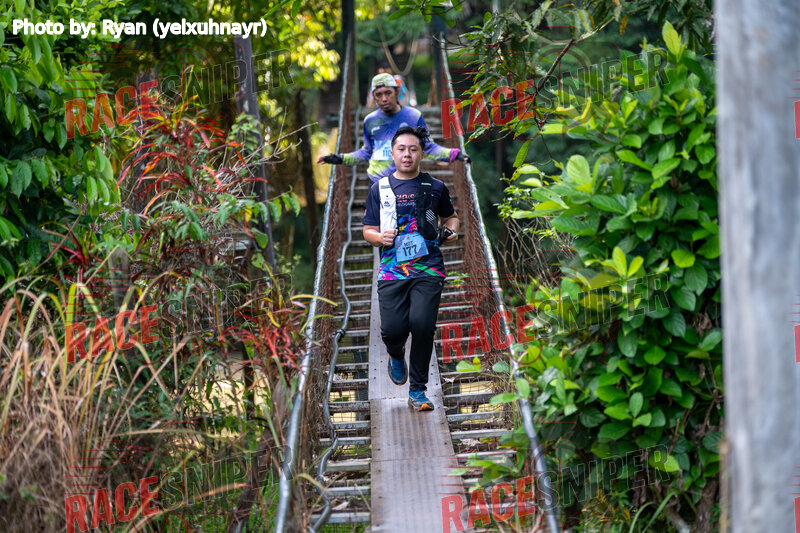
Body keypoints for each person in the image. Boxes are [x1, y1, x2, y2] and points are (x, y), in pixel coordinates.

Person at [362, 125, 460, 411]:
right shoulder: (379, 189)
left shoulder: (435, 187)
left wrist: (451, 232)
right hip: (392, 270)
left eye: (413, 149)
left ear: (421, 154)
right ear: (392, 154)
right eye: (402, 149)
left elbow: (451, 218)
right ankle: (396, 353)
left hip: (428, 269)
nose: (407, 154)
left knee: (423, 324)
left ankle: (418, 390)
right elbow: (368, 230)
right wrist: (379, 238)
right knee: (392, 330)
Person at [317, 72, 470, 183]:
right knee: (374, 221)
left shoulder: (413, 116)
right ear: (374, 96)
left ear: (396, 92)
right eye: (378, 95)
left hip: (407, 182)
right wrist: (340, 158)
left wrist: (454, 154)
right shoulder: (370, 121)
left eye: (388, 93)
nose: (384, 98)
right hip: (377, 183)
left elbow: (428, 147)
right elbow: (367, 152)